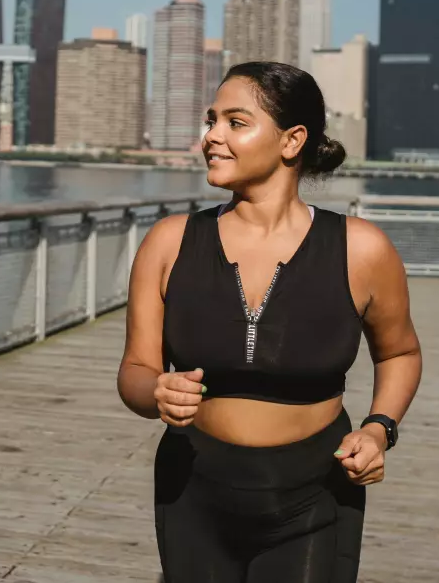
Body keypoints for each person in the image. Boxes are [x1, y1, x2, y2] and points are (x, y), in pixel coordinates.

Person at [118, 61, 422, 583]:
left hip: (315, 491)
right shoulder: (169, 243)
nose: (211, 136)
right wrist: (156, 392)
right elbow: (136, 370)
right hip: (193, 486)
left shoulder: (362, 249)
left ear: (291, 140)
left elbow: (399, 353)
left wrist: (379, 429)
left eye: (235, 122)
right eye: (211, 120)